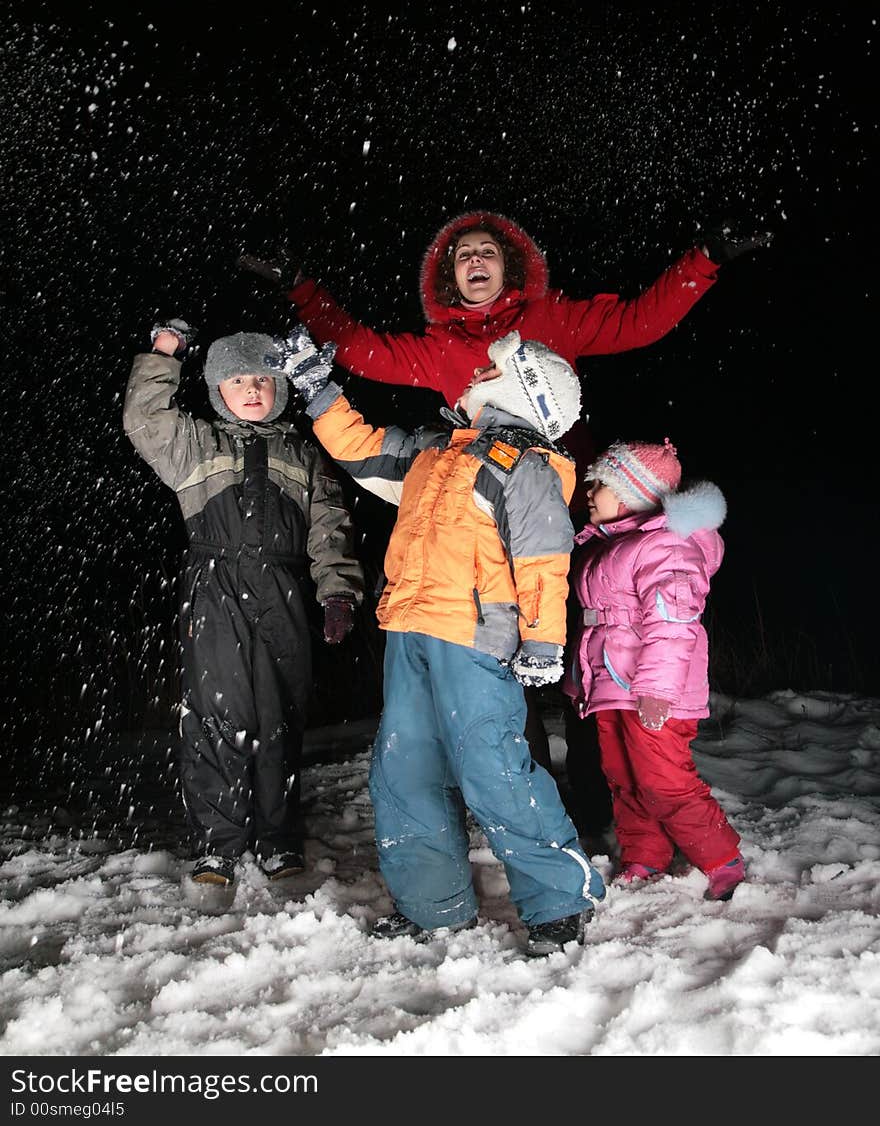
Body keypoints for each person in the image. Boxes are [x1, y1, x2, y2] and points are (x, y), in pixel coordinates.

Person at [238, 209, 771, 814]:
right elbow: (359, 348)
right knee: (504, 662)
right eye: (461, 255)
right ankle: (528, 795)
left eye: (486, 251)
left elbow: (640, 321)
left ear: (509, 264)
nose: (475, 261)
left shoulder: (553, 320)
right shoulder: (441, 348)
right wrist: (300, 287)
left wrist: (706, 259)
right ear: (447, 278)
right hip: (481, 530)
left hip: (565, 512)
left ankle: (600, 802)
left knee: (580, 650)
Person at [267, 322, 606, 955]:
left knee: (495, 770)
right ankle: (433, 904)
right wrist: (317, 389)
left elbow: (543, 560)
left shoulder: (526, 467)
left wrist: (543, 642)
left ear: (524, 392)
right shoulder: (434, 450)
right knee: (405, 769)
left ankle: (560, 899)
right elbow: (361, 449)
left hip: (475, 639)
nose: (476, 374)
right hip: (410, 630)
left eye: (490, 370)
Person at [123, 319, 365, 887]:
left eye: (262, 377)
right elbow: (144, 419)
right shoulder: (195, 446)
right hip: (214, 585)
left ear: (279, 387)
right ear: (216, 390)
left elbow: (331, 529)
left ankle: (278, 839)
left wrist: (337, 592)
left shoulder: (304, 455)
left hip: (283, 591)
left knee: (279, 715)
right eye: (237, 380)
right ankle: (218, 844)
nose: (252, 388)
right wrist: (163, 355)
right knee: (215, 714)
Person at [562, 437, 745, 902]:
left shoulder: (666, 547)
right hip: (611, 686)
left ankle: (721, 859)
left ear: (631, 493)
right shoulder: (609, 545)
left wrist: (657, 688)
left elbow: (674, 622)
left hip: (656, 690)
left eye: (598, 484)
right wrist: (581, 679)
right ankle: (645, 853)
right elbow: (596, 626)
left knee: (664, 781)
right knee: (621, 776)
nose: (588, 492)